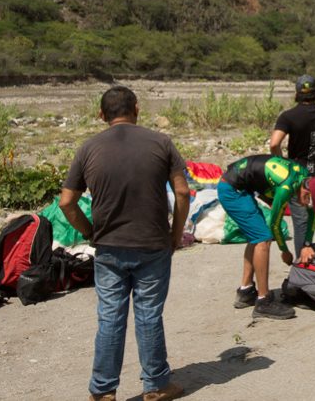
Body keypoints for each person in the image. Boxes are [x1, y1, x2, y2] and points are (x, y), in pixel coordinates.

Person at [60, 86, 190, 401]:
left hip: (109, 246)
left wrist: (91, 232)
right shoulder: (161, 142)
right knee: (148, 313)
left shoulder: (88, 148)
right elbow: (183, 192)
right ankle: (157, 386)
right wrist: (175, 234)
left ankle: (103, 391)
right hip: (153, 244)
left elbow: (66, 202)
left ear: (101, 115)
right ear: (136, 108)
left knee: (110, 315)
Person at [218, 153, 315, 319]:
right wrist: (284, 250)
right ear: (306, 189)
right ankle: (264, 302)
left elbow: (312, 215)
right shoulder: (286, 187)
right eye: (307, 198)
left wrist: (307, 244)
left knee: (256, 236)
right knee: (263, 238)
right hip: (231, 190)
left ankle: (246, 291)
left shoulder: (307, 179)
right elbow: (275, 224)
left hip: (243, 188)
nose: (306, 203)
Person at [269, 74, 315, 261]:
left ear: (297, 93)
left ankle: (303, 270)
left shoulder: (288, 117)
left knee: (301, 224)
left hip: (298, 180)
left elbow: (274, 144)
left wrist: (283, 163)